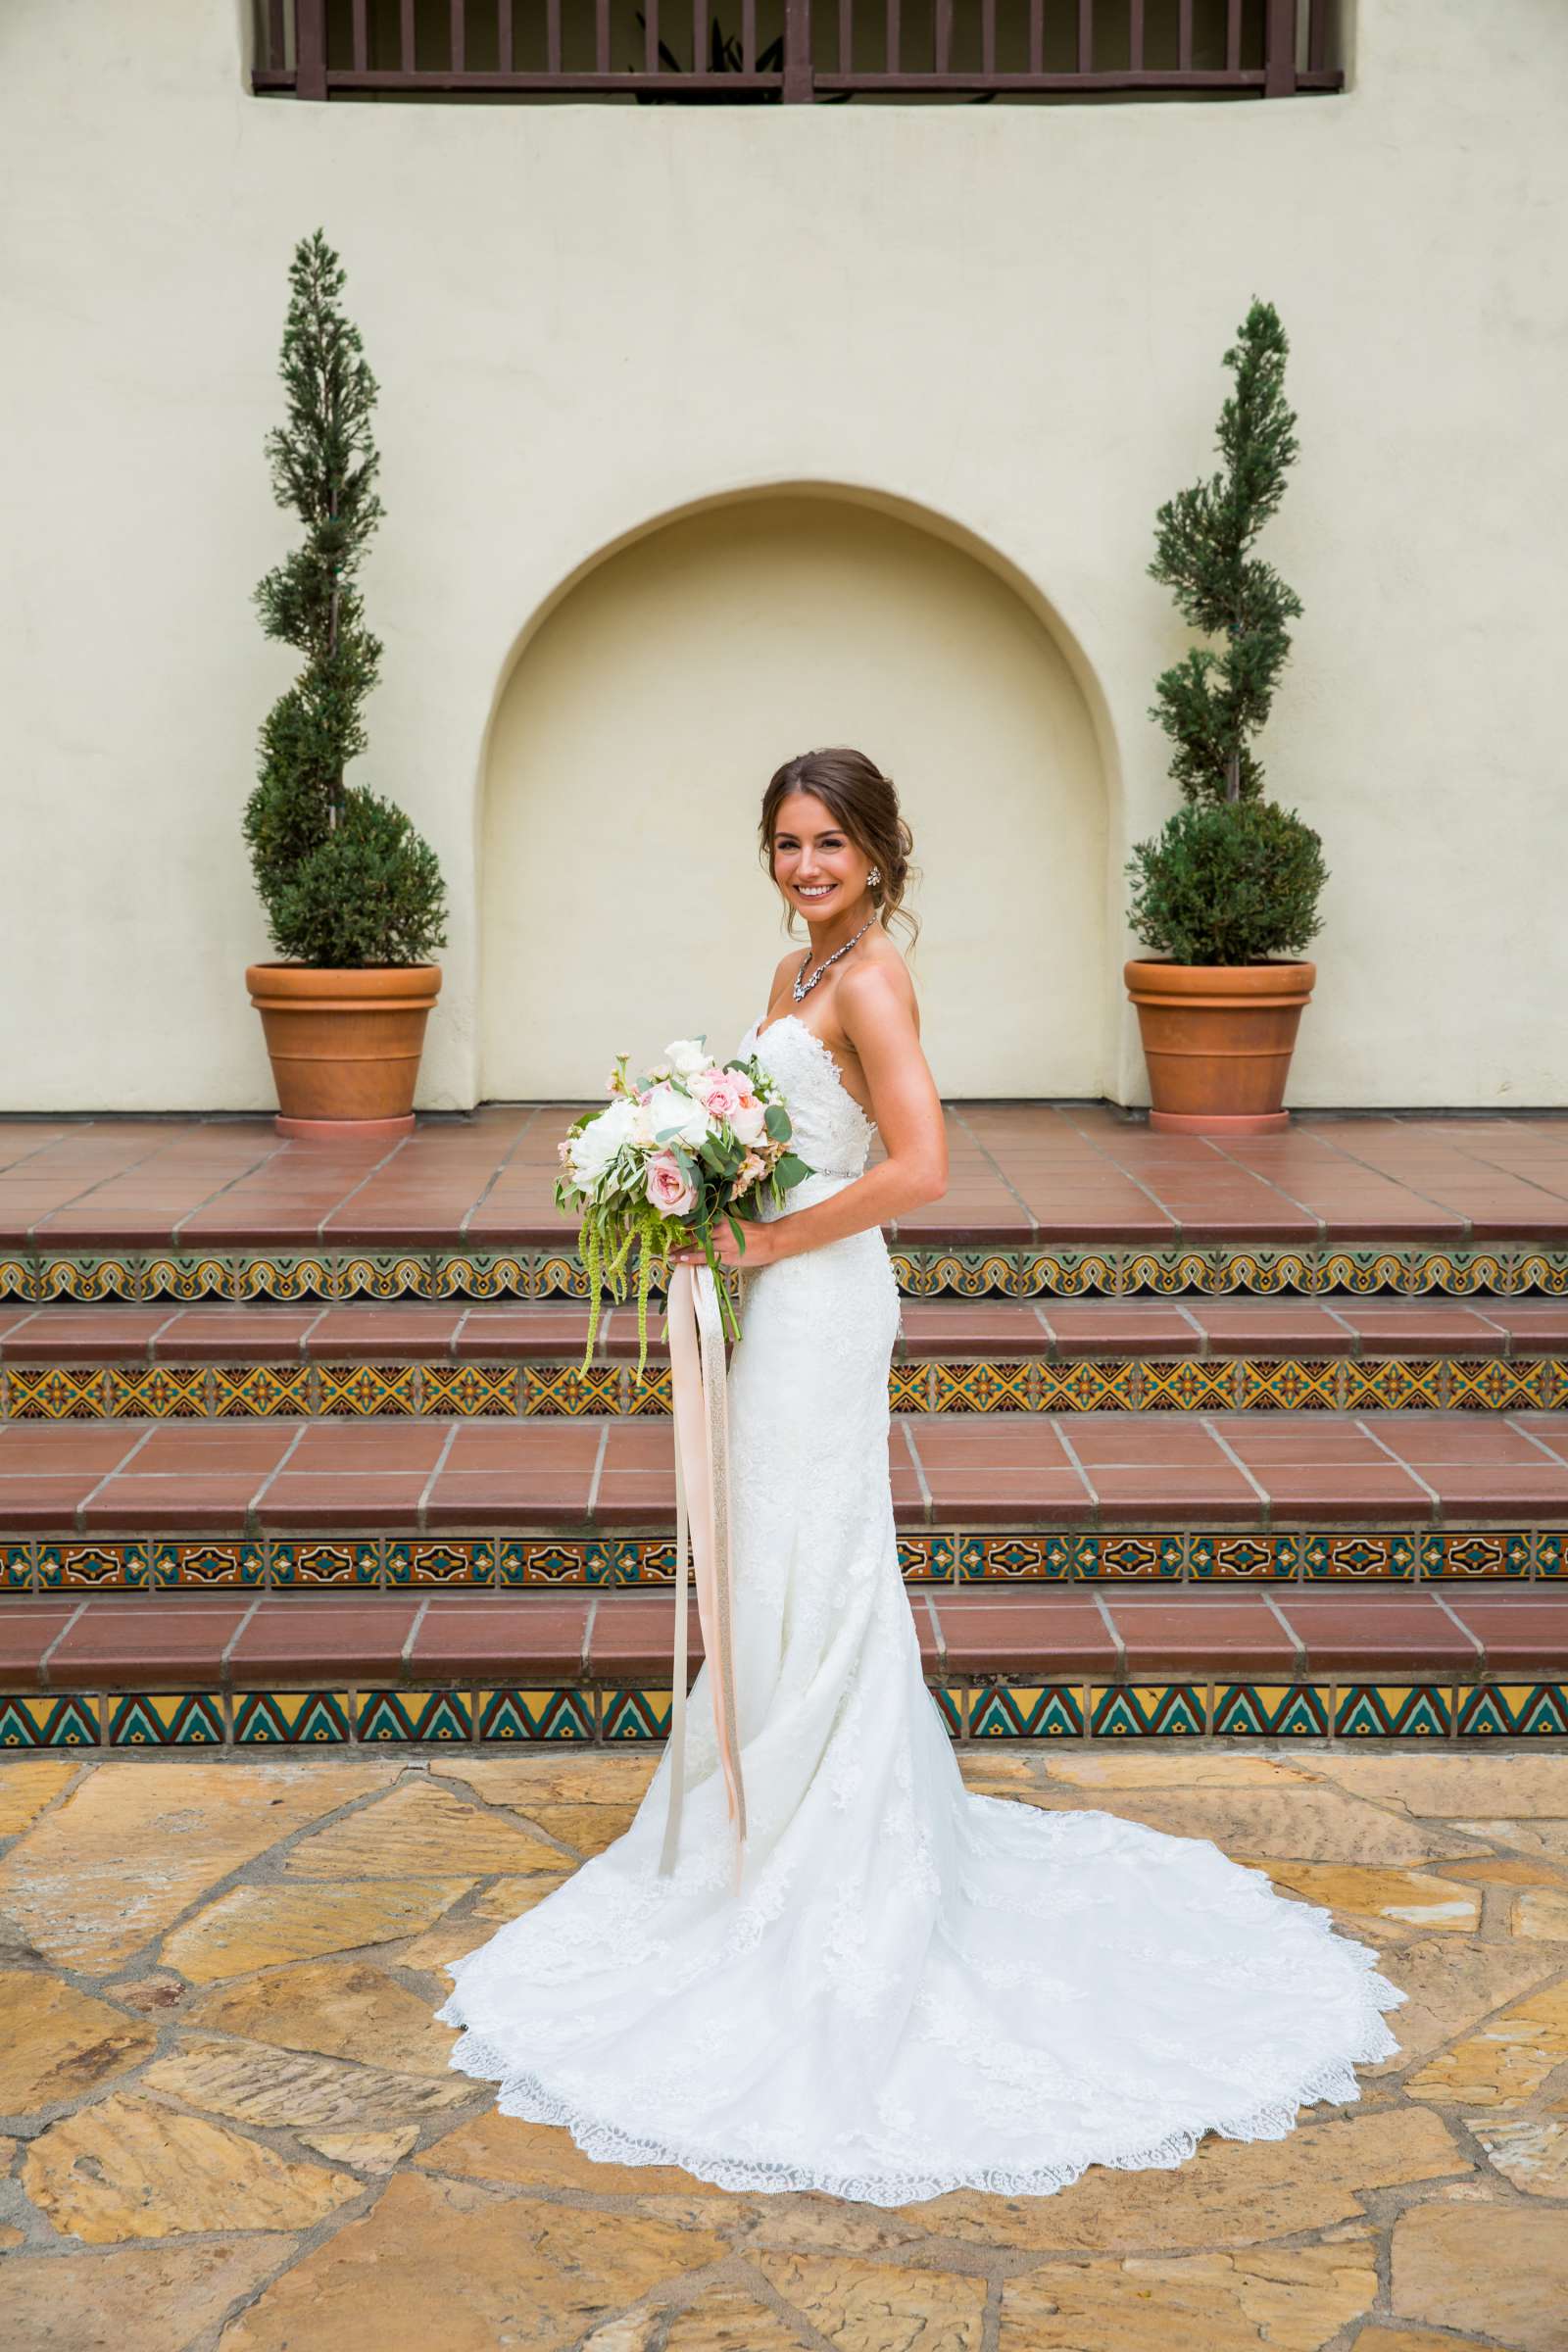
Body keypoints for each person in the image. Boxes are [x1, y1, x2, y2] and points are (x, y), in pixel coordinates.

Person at [435, 745, 1405, 2205]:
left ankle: (836, 1839)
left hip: (827, 1297)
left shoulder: (871, 979)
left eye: (829, 842)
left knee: (816, 1545)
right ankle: (768, 1806)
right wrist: (691, 1180)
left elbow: (924, 1165)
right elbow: (776, 1141)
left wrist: (755, 1242)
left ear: (879, 856)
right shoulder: (792, 970)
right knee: (777, 1545)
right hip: (787, 1288)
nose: (806, 864)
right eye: (785, 840)